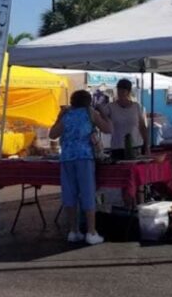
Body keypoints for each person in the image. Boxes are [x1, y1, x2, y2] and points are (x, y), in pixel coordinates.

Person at [50, 89, 112, 245]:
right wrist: (103, 114)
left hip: (66, 158)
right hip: (84, 157)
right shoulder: (90, 112)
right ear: (88, 101)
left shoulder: (66, 114)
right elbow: (107, 129)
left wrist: (59, 117)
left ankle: (73, 231)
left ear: (72, 101)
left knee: (69, 193)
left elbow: (52, 134)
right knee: (87, 193)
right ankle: (91, 232)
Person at [98, 78, 149, 160]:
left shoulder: (136, 106)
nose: (120, 93)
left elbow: (142, 127)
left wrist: (146, 145)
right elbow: (101, 120)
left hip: (136, 146)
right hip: (117, 147)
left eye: (123, 90)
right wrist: (99, 110)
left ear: (128, 92)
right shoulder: (110, 107)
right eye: (119, 90)